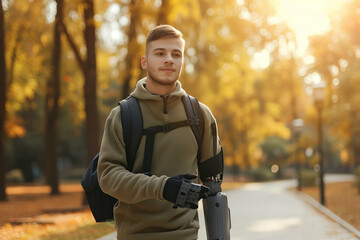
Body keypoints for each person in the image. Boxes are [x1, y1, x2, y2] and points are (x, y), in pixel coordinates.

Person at [98, 25, 223, 240]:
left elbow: (213, 186)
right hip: (134, 235)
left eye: (176, 54)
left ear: (182, 61)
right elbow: (108, 177)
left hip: (185, 235)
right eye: (160, 53)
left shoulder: (201, 115)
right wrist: (163, 188)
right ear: (144, 61)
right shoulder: (122, 116)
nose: (169, 59)